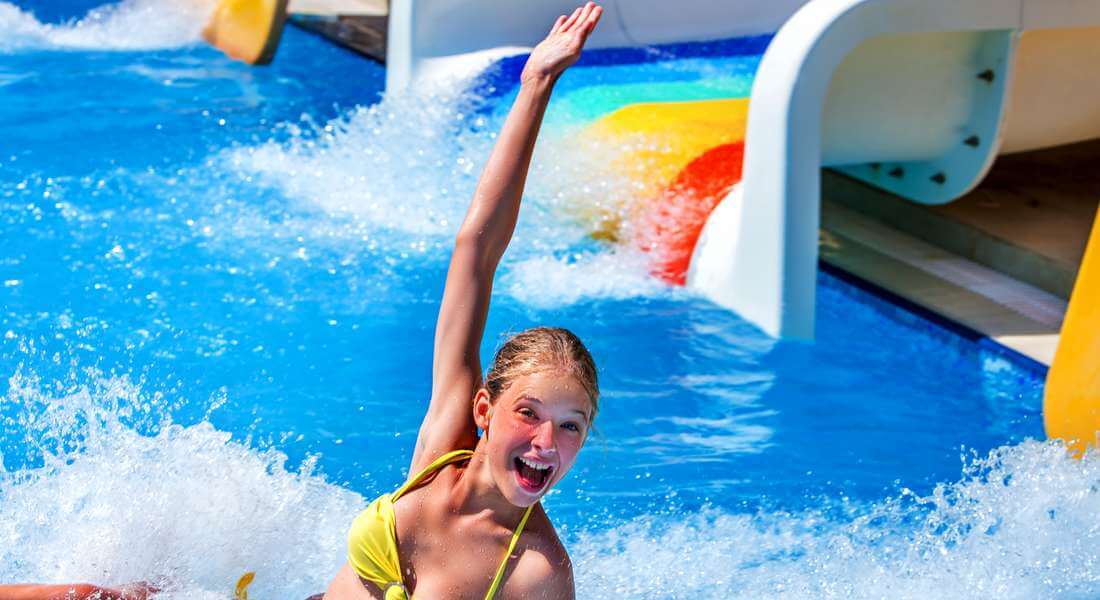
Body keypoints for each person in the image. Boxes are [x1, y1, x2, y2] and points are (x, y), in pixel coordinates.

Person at [324, 4, 604, 599]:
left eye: (570, 427)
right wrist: (536, 84)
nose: (546, 444)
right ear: (483, 410)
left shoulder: (536, 572)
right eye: (528, 413)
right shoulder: (444, 443)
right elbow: (475, 248)